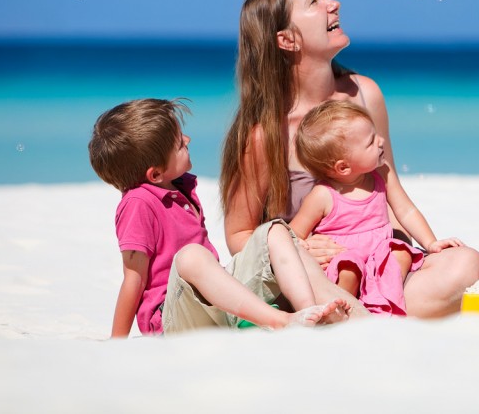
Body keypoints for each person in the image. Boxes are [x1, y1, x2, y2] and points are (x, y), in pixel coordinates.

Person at [220, 0, 479, 318]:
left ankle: (364, 311)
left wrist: (404, 252)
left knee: (468, 263)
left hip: (378, 267)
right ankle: (357, 312)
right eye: (314, 2)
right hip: (313, 278)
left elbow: (389, 196)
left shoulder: (365, 94)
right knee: (311, 280)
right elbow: (239, 234)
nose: (334, 4)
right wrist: (296, 248)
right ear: (287, 40)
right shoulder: (266, 133)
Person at [88, 98, 348, 337]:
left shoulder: (180, 188)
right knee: (192, 256)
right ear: (155, 174)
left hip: (213, 304)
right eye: (179, 144)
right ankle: (280, 320)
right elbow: (134, 279)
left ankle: (308, 312)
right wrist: (117, 343)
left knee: (273, 230)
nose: (188, 139)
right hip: (172, 316)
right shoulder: (138, 203)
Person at [290, 99, 465, 316]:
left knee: (400, 253)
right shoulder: (323, 195)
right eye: (371, 141)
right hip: (344, 257)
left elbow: (406, 210)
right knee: (348, 269)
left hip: (379, 256)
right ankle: (342, 312)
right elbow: (294, 233)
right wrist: (306, 246)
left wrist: (430, 243)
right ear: (343, 167)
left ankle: (384, 303)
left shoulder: (382, 173)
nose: (381, 141)